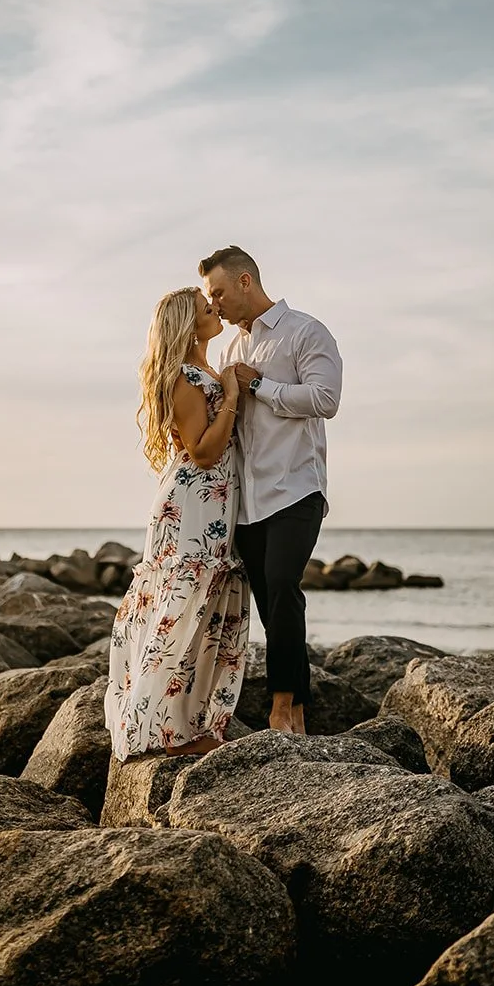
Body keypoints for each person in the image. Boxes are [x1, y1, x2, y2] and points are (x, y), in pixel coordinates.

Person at [200, 246, 342, 736]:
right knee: (270, 605)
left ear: (245, 281)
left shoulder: (305, 331)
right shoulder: (228, 350)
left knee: (283, 587)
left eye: (218, 291)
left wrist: (260, 386)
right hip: (246, 501)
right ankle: (297, 712)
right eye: (207, 296)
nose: (213, 303)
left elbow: (326, 399)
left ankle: (280, 710)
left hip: (295, 490)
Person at [104, 285, 250, 760]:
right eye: (208, 308)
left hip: (213, 504)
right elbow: (204, 452)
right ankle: (152, 732)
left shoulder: (206, 368)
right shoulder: (186, 378)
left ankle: (187, 727)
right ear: (188, 325)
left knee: (205, 612)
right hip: (192, 504)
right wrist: (230, 392)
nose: (216, 311)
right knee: (181, 611)